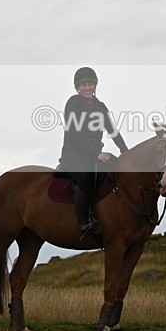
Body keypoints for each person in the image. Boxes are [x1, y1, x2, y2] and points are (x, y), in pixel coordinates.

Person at [60, 67, 128, 238]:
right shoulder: (73, 103)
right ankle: (83, 223)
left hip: (93, 152)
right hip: (74, 152)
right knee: (86, 177)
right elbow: (75, 133)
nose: (87, 88)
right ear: (77, 87)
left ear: (95, 85)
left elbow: (113, 131)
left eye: (90, 84)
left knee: (115, 173)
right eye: (83, 85)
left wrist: (126, 151)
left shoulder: (100, 106)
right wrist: (96, 154)